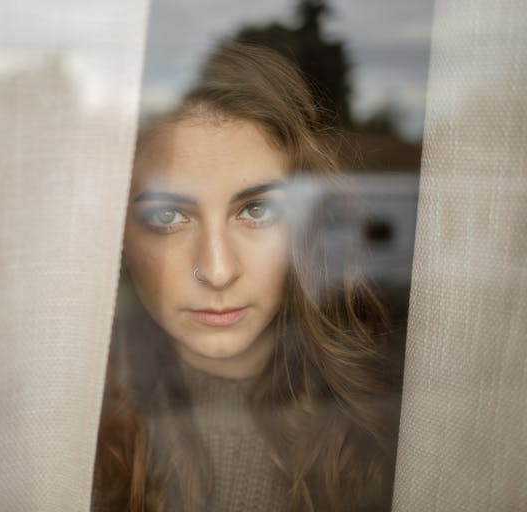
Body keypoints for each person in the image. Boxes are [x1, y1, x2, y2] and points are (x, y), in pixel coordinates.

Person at [92, 41, 398, 512]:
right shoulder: (62, 438)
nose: (217, 271)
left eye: (257, 209)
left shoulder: (401, 430)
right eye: (167, 215)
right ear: (116, 232)